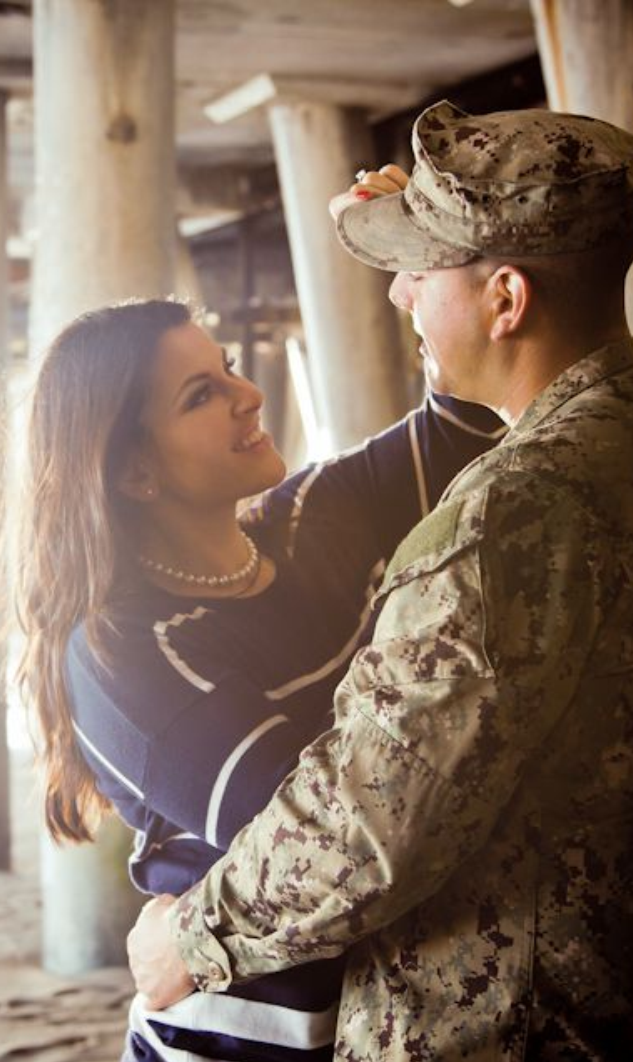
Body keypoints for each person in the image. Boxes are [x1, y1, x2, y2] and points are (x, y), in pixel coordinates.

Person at [127, 100, 633, 1061]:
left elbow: (370, 819)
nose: (400, 297)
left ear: (506, 301)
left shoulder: (510, 514)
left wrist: (190, 937)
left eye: (420, 271)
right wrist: (438, 220)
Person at [15, 276, 504, 1057]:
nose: (248, 395)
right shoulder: (125, 654)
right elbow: (325, 838)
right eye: (201, 395)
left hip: (381, 1010)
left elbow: (466, 418)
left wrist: (422, 263)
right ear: (136, 474)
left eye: (231, 366)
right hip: (241, 1036)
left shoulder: (312, 516)